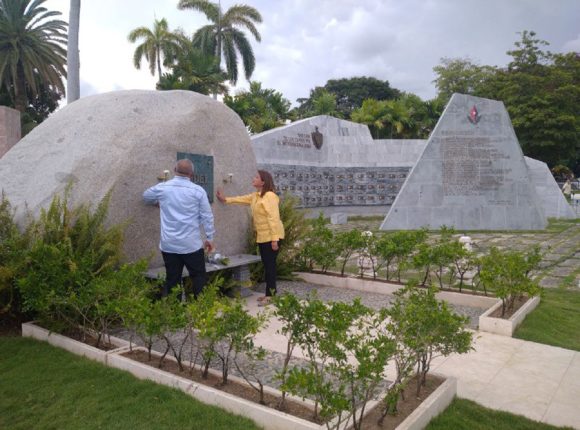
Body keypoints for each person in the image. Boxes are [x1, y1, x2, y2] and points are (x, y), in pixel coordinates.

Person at [143, 159, 215, 298]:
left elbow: (146, 196)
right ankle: (200, 312)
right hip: (191, 245)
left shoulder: (163, 187)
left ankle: (175, 313)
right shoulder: (198, 191)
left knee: (172, 279)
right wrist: (210, 238)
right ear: (191, 174)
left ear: (174, 170)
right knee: (198, 277)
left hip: (169, 244)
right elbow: (207, 216)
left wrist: (158, 203)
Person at [216, 170, 284, 306]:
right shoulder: (256, 196)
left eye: (256, 177)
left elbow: (273, 218)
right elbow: (242, 199)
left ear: (263, 181)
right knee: (267, 265)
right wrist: (225, 199)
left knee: (270, 266)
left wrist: (275, 239)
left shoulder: (269, 196)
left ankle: (271, 295)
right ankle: (269, 293)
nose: (253, 179)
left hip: (271, 237)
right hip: (263, 237)